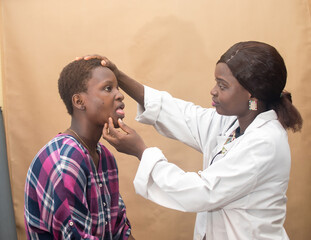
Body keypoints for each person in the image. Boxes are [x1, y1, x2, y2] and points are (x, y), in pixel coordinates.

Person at [86, 41, 303, 240]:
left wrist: (141, 151)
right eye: (215, 82)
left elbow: (202, 191)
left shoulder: (265, 142)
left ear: (252, 97)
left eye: (223, 85)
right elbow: (184, 116)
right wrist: (119, 76)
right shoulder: (235, 123)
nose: (213, 91)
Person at [24, 59, 134, 239]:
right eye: (108, 88)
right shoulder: (65, 160)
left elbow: (120, 231)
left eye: (118, 88)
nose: (120, 95)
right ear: (79, 101)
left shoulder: (105, 158)